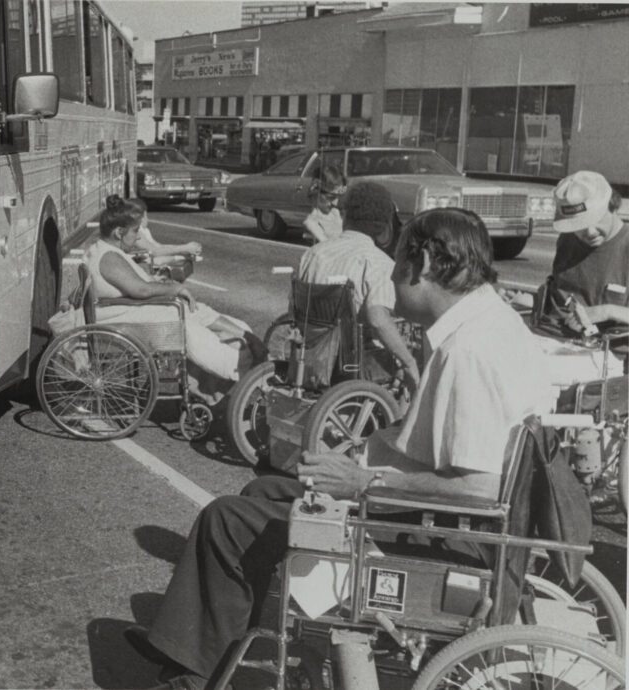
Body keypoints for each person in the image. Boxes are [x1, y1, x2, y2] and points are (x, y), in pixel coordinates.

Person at [124, 208, 551, 690]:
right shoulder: (490, 324)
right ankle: (196, 650)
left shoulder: (468, 351)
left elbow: (481, 487)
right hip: (448, 524)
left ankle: (190, 672)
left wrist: (362, 481)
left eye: (398, 264)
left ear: (425, 265)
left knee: (226, 520)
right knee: (263, 491)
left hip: (443, 537)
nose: (392, 278)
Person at [86, 197, 261, 389]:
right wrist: (176, 288)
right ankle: (242, 366)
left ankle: (243, 344)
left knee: (194, 312)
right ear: (119, 232)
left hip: (126, 314)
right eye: (135, 231)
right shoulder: (109, 257)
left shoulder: (101, 250)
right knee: (187, 326)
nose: (137, 238)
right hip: (125, 321)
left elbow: (135, 286)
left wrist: (160, 284)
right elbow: (141, 290)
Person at [298, 181, 421, 393]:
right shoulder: (378, 263)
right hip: (353, 365)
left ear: (346, 216)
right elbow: (377, 319)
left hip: (309, 355)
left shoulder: (312, 254)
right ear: (384, 225)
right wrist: (409, 362)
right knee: (408, 358)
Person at [548, 170, 629, 334]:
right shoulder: (567, 240)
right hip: (557, 338)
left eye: (597, 219)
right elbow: (558, 299)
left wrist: (605, 311)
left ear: (612, 206)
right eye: (579, 226)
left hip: (610, 346)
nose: (590, 232)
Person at [125, 198, 203, 260]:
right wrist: (184, 249)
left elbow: (159, 247)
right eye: (146, 216)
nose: (147, 219)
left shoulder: (144, 230)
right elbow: (154, 252)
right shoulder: (135, 233)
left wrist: (184, 250)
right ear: (140, 217)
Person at [302, 164, 345, 243]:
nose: (335, 203)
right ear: (315, 193)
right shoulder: (312, 224)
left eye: (338, 197)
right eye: (330, 197)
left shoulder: (336, 213)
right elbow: (327, 248)